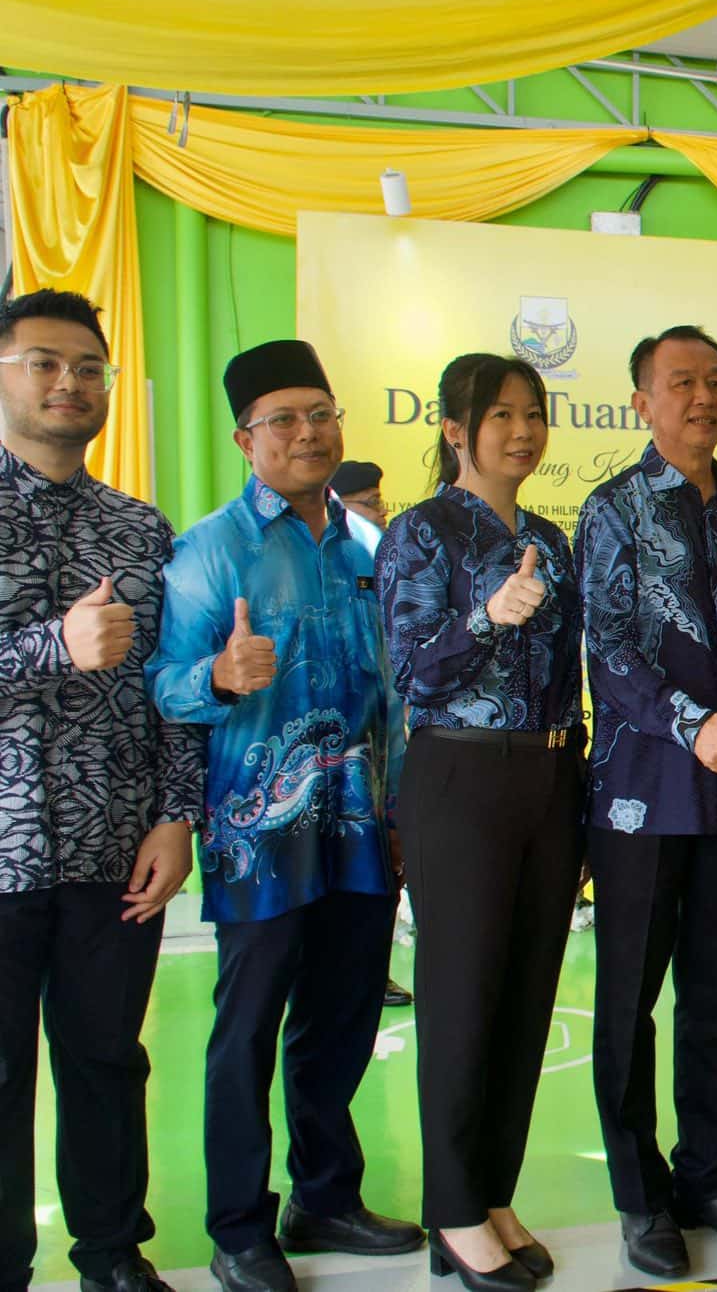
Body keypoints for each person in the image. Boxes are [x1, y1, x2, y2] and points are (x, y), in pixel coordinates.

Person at [148, 340, 422, 1292]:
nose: (308, 433)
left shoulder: (371, 548)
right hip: (257, 836)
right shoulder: (210, 550)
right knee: (248, 1031)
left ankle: (326, 1199)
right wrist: (217, 676)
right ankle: (237, 1228)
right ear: (245, 439)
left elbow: (398, 695)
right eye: (284, 420)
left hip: (361, 829)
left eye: (321, 413)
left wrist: (402, 810)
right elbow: (161, 687)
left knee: (342, 1020)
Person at [575, 326, 717, 1279]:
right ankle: (641, 1199)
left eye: (715, 381)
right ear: (642, 403)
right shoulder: (613, 508)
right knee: (628, 1006)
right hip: (640, 796)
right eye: (681, 384)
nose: (702, 398)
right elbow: (610, 650)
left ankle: (711, 1180)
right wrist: (691, 724)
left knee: (715, 1000)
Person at [0, 291, 204, 1292]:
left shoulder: (139, 528)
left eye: (89, 367)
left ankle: (113, 1254)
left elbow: (173, 687)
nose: (69, 383)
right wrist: (55, 645)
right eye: (43, 362)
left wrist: (177, 814)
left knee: (107, 1061)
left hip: (113, 847)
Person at [376, 355, 583, 1290]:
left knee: (527, 997)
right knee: (462, 998)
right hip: (459, 774)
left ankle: (493, 1194)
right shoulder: (420, 532)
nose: (522, 431)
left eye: (533, 414)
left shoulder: (551, 538)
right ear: (456, 429)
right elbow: (410, 674)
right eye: (500, 415)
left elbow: (571, 672)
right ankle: (454, 1212)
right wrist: (488, 617)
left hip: (550, 773)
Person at [330, 457, 415, 1010]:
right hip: (333, 754)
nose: (379, 511)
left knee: (382, 869)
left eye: (380, 502)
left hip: (384, 748)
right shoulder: (356, 548)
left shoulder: (382, 551)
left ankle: (373, 973)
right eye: (368, 503)